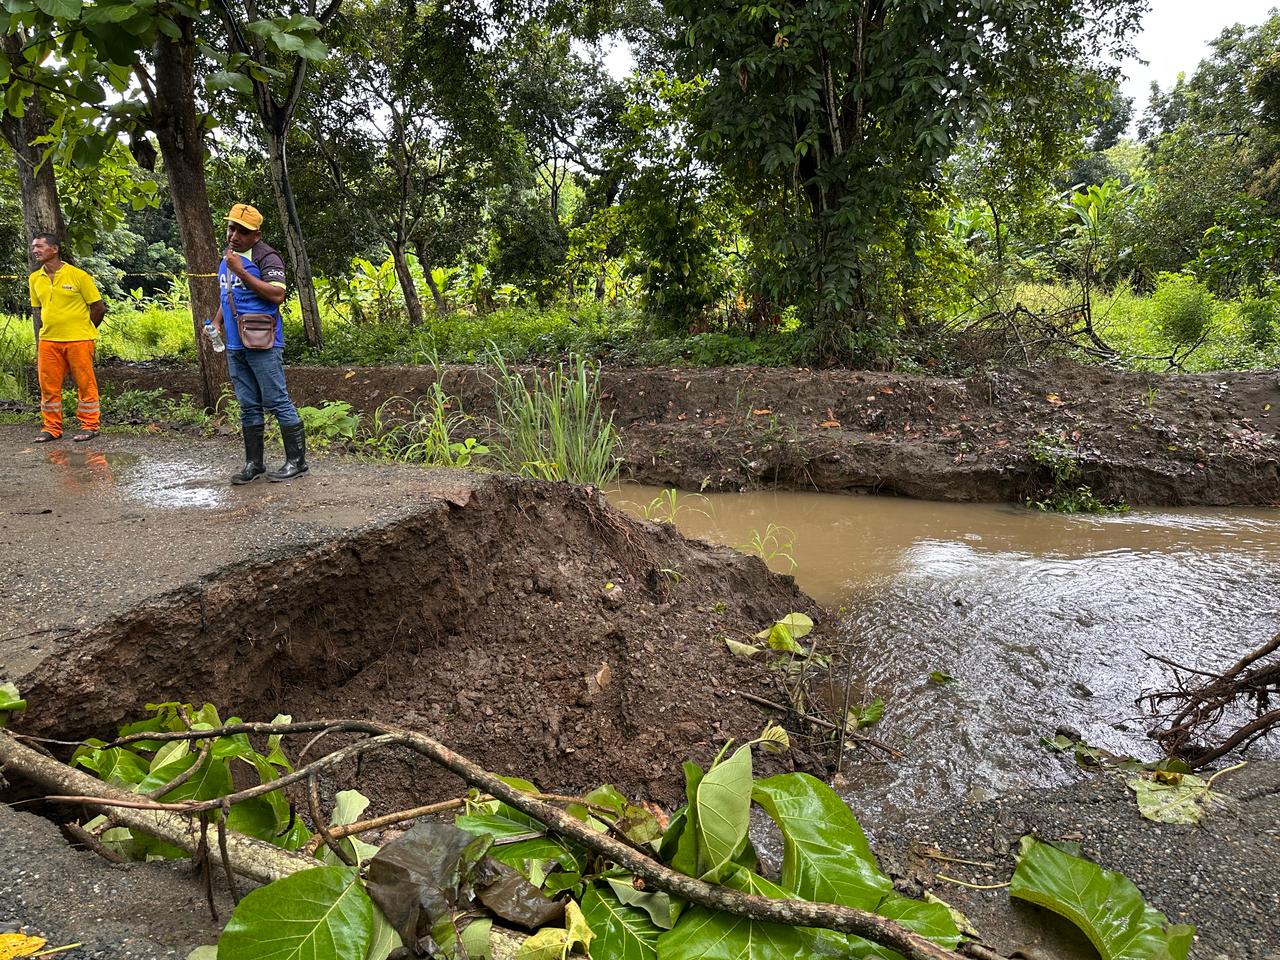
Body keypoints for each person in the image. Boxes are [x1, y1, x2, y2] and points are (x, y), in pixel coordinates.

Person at [213, 203, 308, 483]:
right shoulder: (228, 257)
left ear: (256, 234)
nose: (234, 235)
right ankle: (254, 464)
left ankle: (297, 462)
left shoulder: (267, 257)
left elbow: (277, 295)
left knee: (277, 400)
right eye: (231, 228)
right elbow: (228, 293)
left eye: (242, 231)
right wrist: (217, 322)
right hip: (235, 344)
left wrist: (243, 272)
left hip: (263, 342)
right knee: (248, 404)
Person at [28, 234, 106, 443]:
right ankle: (51, 428)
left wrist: (85, 328)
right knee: (48, 386)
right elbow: (39, 310)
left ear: (54, 249)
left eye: (40, 246)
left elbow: (98, 307)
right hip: (49, 341)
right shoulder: (35, 278)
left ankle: (90, 426)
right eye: (34, 247)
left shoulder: (78, 276)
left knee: (85, 384)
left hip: (79, 340)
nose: (35, 250)